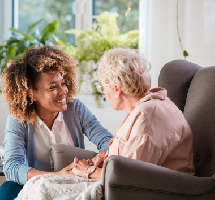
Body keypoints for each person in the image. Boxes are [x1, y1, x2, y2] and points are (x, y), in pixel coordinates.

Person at [0, 45, 113, 200]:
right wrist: (55, 176)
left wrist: (99, 158)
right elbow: (12, 167)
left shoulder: (75, 109)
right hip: (35, 185)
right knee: (7, 190)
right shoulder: (18, 118)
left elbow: (107, 141)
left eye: (63, 83)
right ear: (32, 93)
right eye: (53, 87)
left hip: (72, 184)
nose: (64, 91)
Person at [71, 47, 195, 179]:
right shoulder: (146, 107)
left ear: (116, 88)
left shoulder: (147, 115)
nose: (104, 93)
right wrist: (105, 158)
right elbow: (130, 159)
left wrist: (89, 171)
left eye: (102, 87)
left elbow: (130, 176)